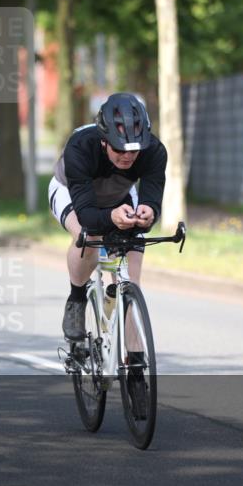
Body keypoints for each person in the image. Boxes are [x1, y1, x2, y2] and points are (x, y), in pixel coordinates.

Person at [48, 92, 167, 341]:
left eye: (134, 151)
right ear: (104, 141)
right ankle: (77, 298)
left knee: (131, 280)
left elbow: (151, 198)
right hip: (71, 193)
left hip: (119, 195)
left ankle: (134, 364)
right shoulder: (80, 147)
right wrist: (111, 218)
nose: (127, 156)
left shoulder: (154, 151)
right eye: (119, 149)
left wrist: (149, 212)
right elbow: (89, 216)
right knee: (87, 235)